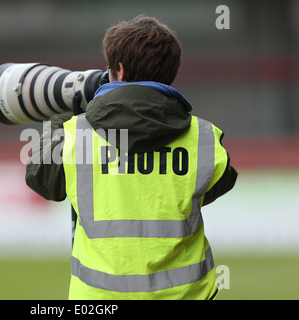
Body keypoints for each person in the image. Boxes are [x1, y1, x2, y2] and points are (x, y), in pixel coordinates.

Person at [25, 16, 238, 300]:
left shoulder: (75, 134)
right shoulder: (203, 136)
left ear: (120, 71)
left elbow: (43, 181)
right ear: (169, 73)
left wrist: (63, 119)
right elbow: (215, 186)